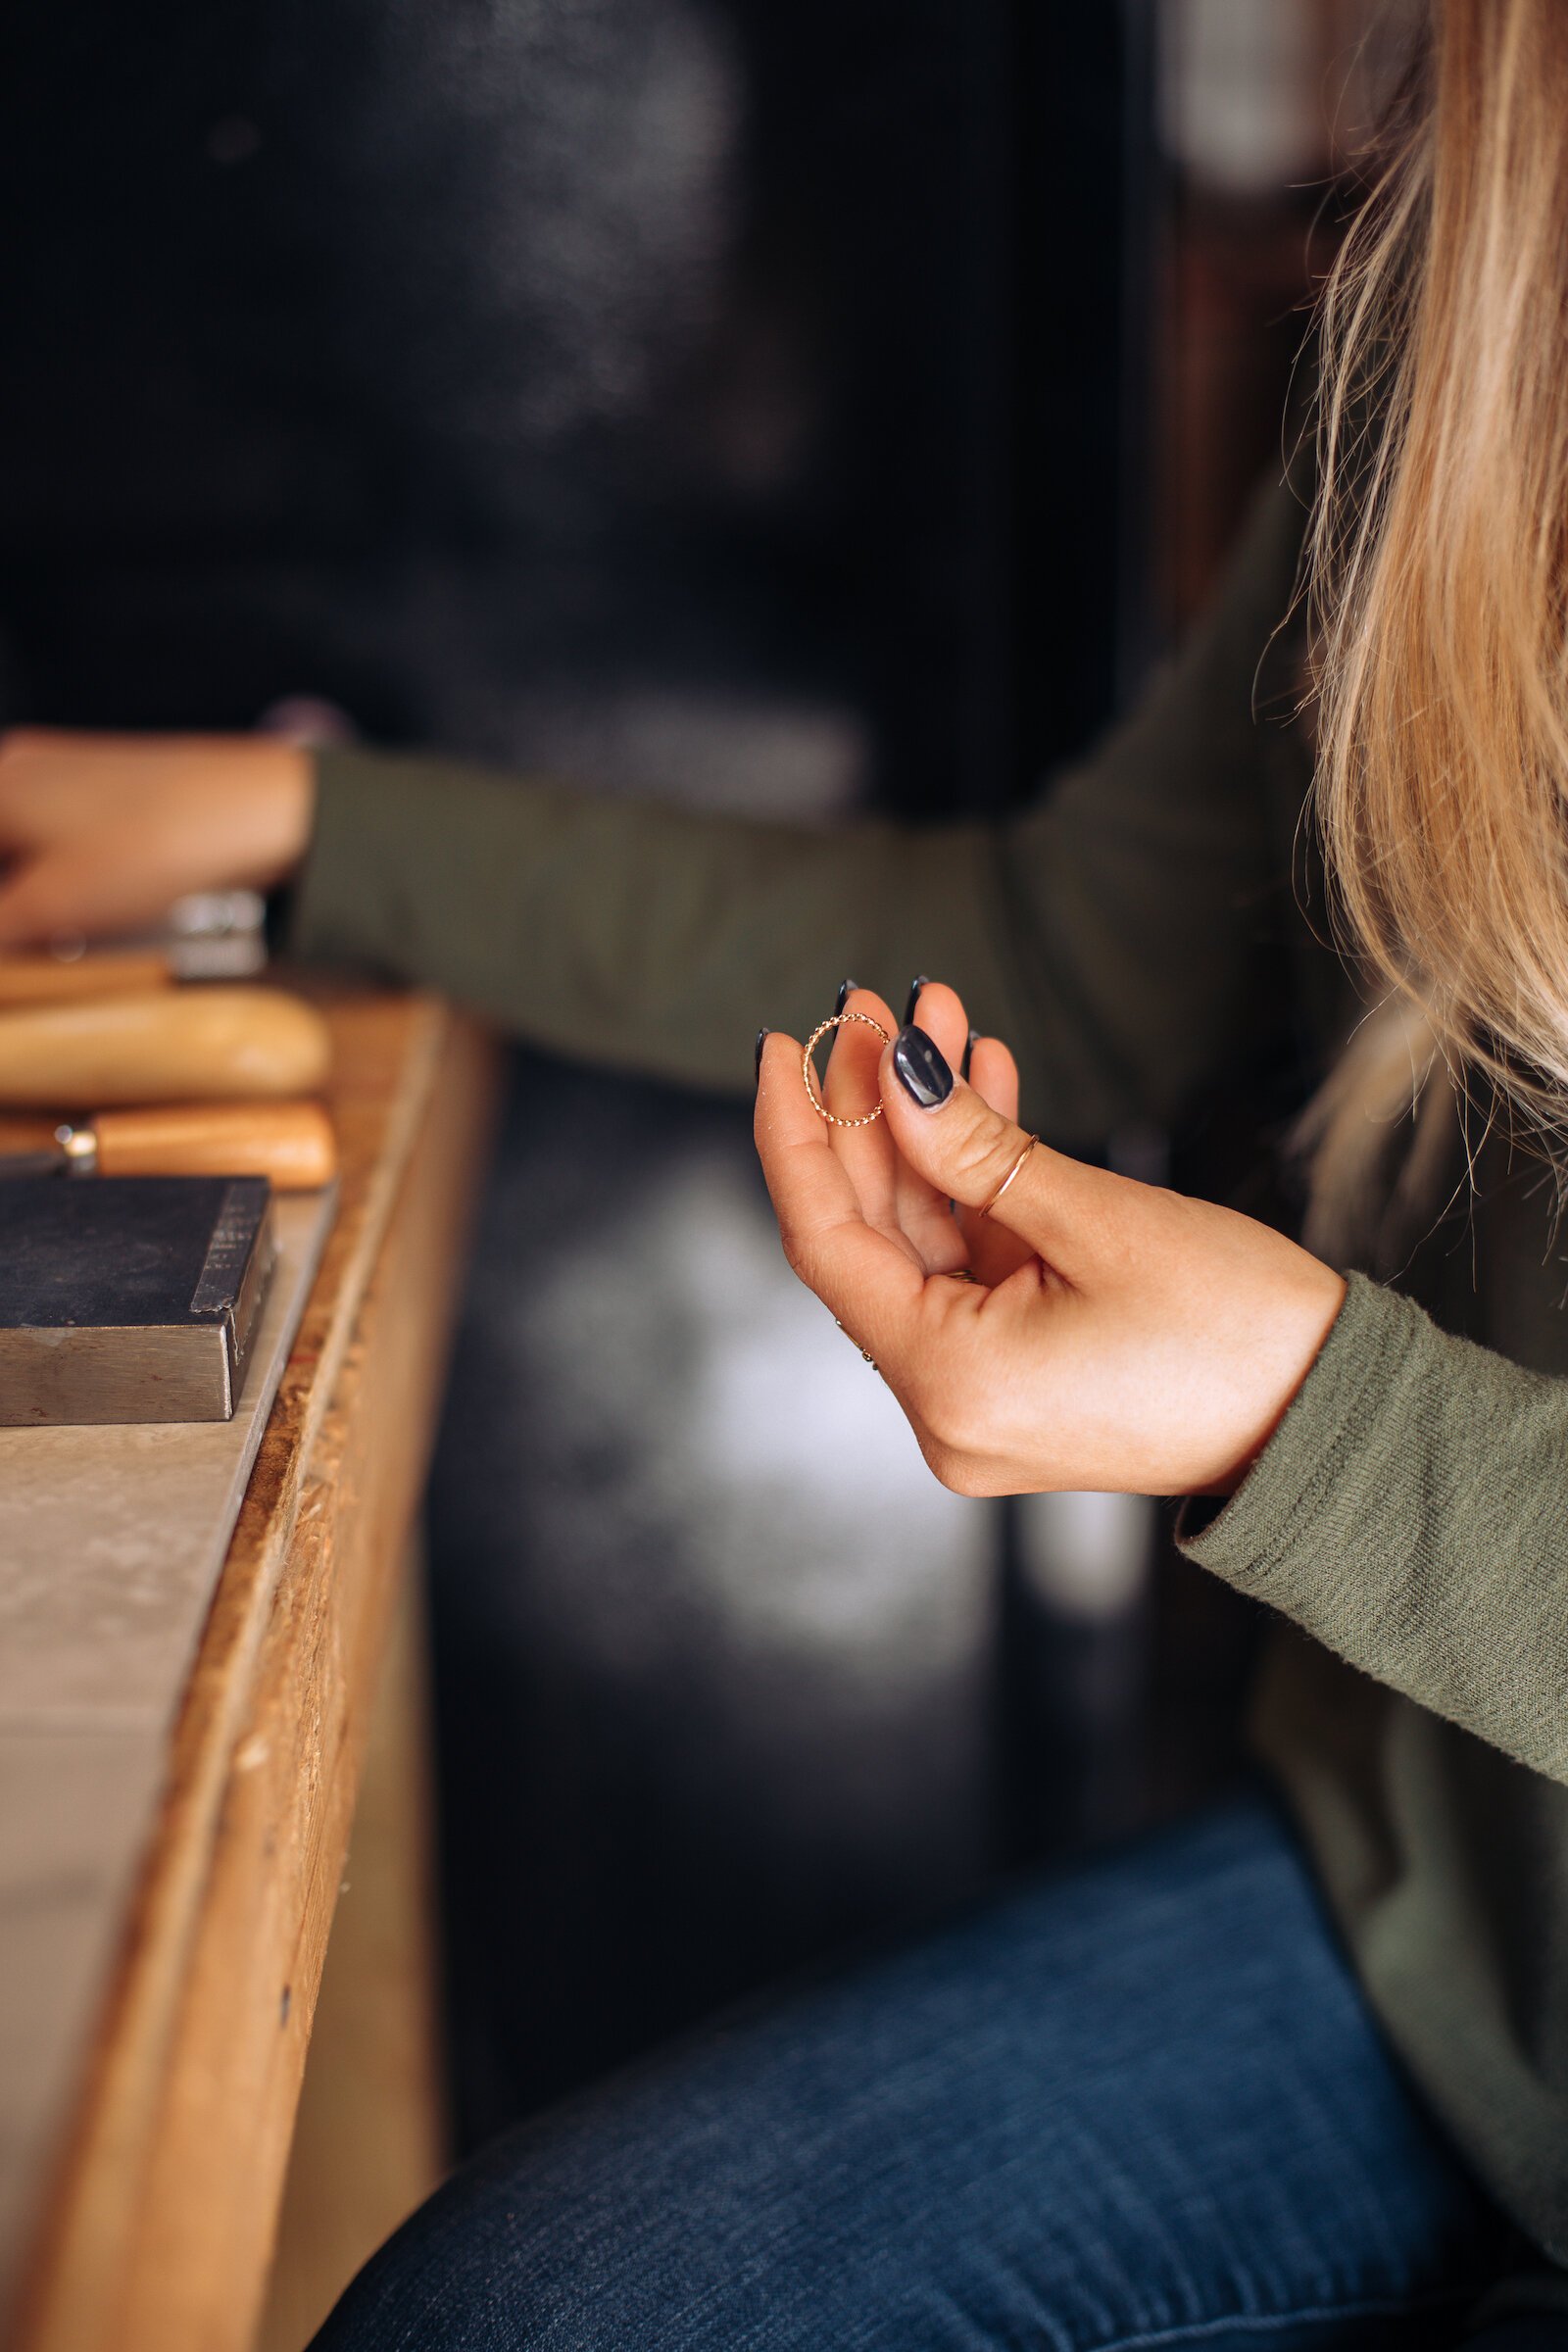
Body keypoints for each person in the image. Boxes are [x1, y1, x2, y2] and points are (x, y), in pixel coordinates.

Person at [2, 1, 1566, 2340]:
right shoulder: (1469, 334)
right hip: (1460, 1928)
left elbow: (1344, 1422)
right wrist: (312, 830)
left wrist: (1309, 1424)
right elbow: (1057, 955)